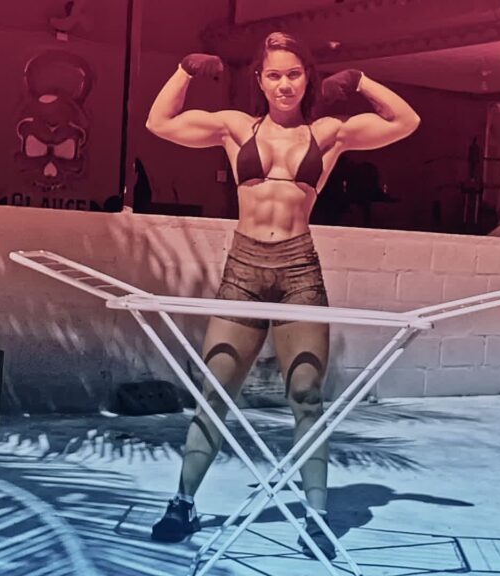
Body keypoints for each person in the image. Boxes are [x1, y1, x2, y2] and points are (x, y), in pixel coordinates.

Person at [144, 31, 420, 559]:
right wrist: (183, 70)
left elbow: (405, 122)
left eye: (294, 73)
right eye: (274, 75)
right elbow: (159, 122)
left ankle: (315, 515)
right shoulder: (235, 127)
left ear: (307, 78)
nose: (285, 84)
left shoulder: (328, 133)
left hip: (298, 271)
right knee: (214, 391)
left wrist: (361, 81)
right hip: (243, 269)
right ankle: (183, 502)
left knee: (307, 396)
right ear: (260, 80)